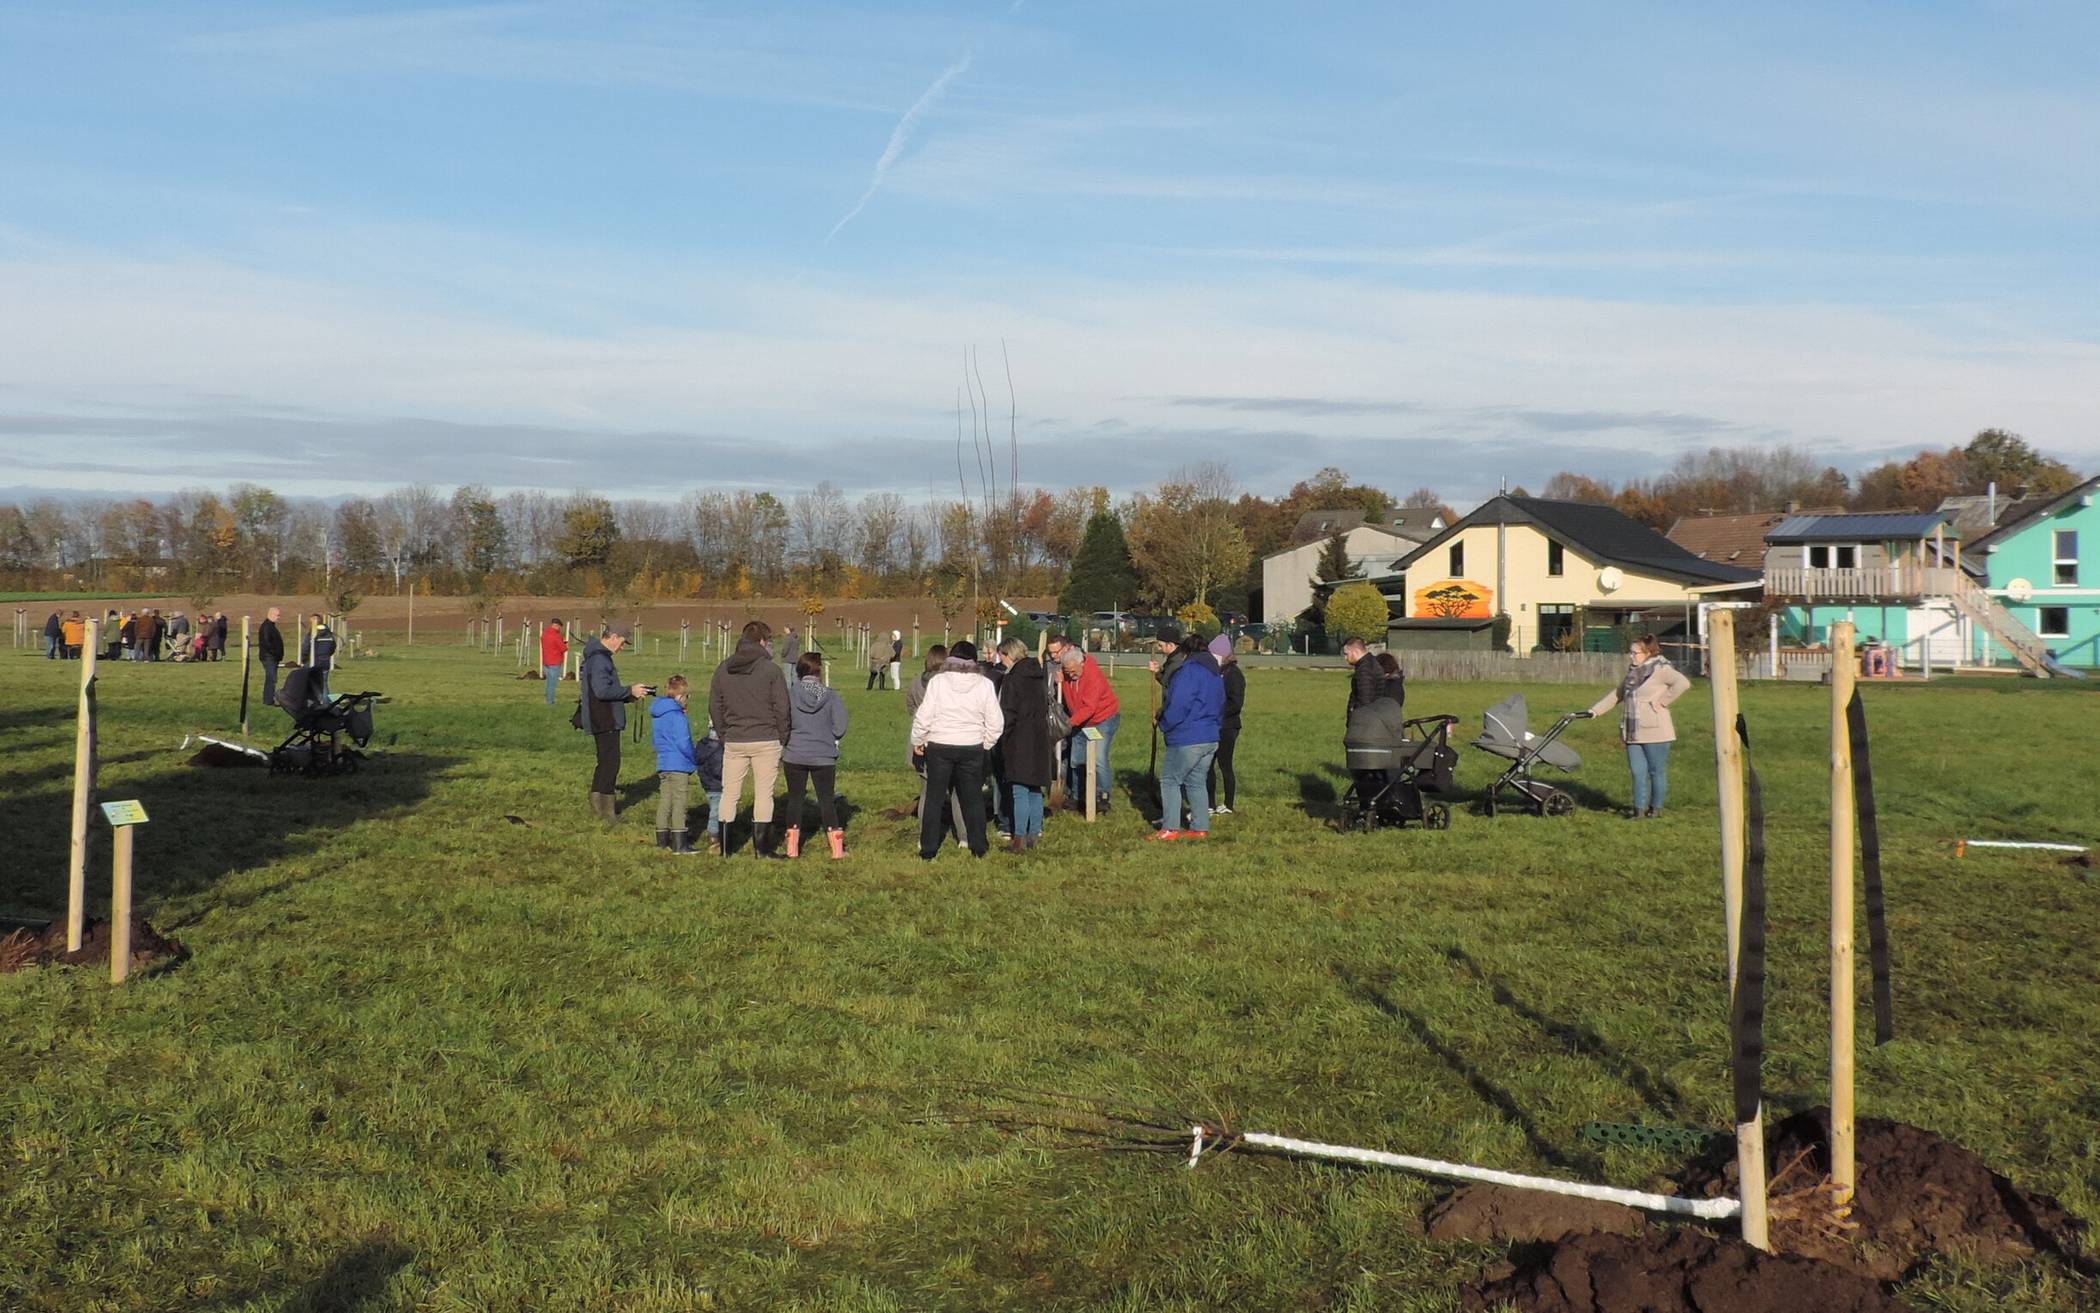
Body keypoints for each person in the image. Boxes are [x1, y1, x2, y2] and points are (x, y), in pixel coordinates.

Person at [910, 639, 1004, 860]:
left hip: (940, 744)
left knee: (934, 797)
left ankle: (928, 847)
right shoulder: (984, 684)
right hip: (971, 746)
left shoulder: (938, 682)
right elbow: (996, 721)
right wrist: (986, 743)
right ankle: (978, 845)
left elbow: (925, 715)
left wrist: (918, 739)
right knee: (972, 798)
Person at [710, 619, 792, 859]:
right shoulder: (771, 670)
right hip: (766, 739)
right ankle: (762, 849)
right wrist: (783, 736)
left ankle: (725, 848)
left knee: (729, 793)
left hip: (734, 739)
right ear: (763, 642)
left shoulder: (723, 669)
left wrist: (724, 734)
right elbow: (782, 707)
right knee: (764, 793)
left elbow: (715, 706)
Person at [1587, 633, 1692, 819]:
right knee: (1637, 772)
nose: (1631, 656)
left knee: (1656, 771)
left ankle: (1656, 808)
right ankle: (1638, 810)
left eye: (1635, 653)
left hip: (1656, 731)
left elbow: (1683, 683)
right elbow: (1617, 694)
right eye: (1631, 652)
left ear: (1648, 653)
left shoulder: (1661, 669)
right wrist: (1594, 711)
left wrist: (1661, 702)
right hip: (1633, 730)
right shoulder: (1633, 673)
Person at [1153, 632, 1224, 840]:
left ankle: (1170, 828)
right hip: (1211, 735)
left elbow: (1178, 705)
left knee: (1169, 780)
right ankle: (1200, 827)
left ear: (1186, 652)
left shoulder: (1188, 671)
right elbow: (1221, 704)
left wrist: (1164, 723)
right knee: (1196, 781)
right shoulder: (1215, 673)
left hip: (1187, 736)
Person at [578, 623, 650, 824]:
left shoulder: (596, 656)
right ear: (613, 637)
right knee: (611, 764)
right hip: (605, 718)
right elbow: (601, 691)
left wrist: (629, 696)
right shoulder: (600, 659)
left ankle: (599, 810)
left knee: (605, 763)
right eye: (623, 642)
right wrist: (629, 691)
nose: (622, 647)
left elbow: (603, 690)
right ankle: (607, 813)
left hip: (601, 716)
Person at [783, 651, 850, 859]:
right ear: (819, 671)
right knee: (826, 800)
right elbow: (840, 726)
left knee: (795, 799)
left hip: (794, 754)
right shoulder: (831, 695)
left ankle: (792, 848)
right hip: (824, 755)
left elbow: (783, 722)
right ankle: (837, 850)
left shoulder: (790, 694)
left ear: (798, 671)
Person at [996, 638, 1052, 852]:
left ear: (1008, 655)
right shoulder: (1038, 675)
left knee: (1019, 789)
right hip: (1040, 738)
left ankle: (1018, 838)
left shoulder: (1012, 679)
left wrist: (1003, 738)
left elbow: (1008, 713)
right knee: (1035, 789)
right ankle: (1034, 834)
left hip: (1019, 739)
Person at [1056, 644, 1120, 813]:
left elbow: (1089, 708)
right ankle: (1077, 796)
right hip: (1080, 721)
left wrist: (1069, 723)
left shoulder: (1093, 676)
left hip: (1102, 719)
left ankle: (1103, 796)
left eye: (1073, 671)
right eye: (1067, 671)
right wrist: (1060, 681)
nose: (1071, 674)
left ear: (1082, 663)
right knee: (1076, 760)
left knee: (1099, 758)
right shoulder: (1066, 673)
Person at [651, 674, 702, 856]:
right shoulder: (678, 717)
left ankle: (662, 840)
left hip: (663, 762)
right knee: (680, 802)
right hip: (679, 764)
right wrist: (694, 758)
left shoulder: (658, 715)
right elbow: (683, 742)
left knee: (665, 801)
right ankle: (680, 843)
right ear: (681, 696)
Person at [1206, 634, 1245, 815]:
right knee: (1207, 765)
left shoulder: (1234, 675)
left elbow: (1235, 703)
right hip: (1212, 725)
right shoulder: (1215, 672)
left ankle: (1228, 804)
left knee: (1225, 765)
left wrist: (1217, 712)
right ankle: (1210, 803)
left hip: (1228, 726)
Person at [696, 726, 727, 855]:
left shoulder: (702, 746)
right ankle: (714, 836)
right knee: (716, 811)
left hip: (707, 783)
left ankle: (715, 833)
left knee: (714, 808)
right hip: (717, 785)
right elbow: (718, 770)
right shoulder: (718, 749)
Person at [1342, 636, 1382, 715]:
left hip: (1364, 720)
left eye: (1347, 654)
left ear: (1356, 651)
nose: (1345, 658)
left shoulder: (1365, 670)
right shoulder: (1371, 663)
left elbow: (1365, 699)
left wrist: (1357, 718)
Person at [301, 614, 337, 698]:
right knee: (324, 684)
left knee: (313, 684)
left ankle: (319, 702)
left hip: (313, 663)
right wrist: (326, 656)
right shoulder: (329, 634)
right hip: (325, 663)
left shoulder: (311, 635)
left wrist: (303, 660)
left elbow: (305, 649)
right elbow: (332, 647)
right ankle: (327, 703)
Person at [257, 607, 286, 706]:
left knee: (272, 678)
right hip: (268, 657)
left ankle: (269, 699)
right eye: (277, 615)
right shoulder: (266, 627)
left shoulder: (271, 626)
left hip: (271, 657)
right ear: (270, 614)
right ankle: (268, 700)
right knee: (271, 678)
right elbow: (267, 643)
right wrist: (275, 653)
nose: (279, 617)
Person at [541, 618, 568, 707]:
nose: (560, 629)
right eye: (559, 627)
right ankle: (550, 702)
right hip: (554, 662)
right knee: (552, 684)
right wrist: (564, 643)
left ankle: (547, 699)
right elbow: (563, 648)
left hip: (546, 661)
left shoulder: (544, 634)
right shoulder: (556, 636)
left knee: (548, 682)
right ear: (557, 626)